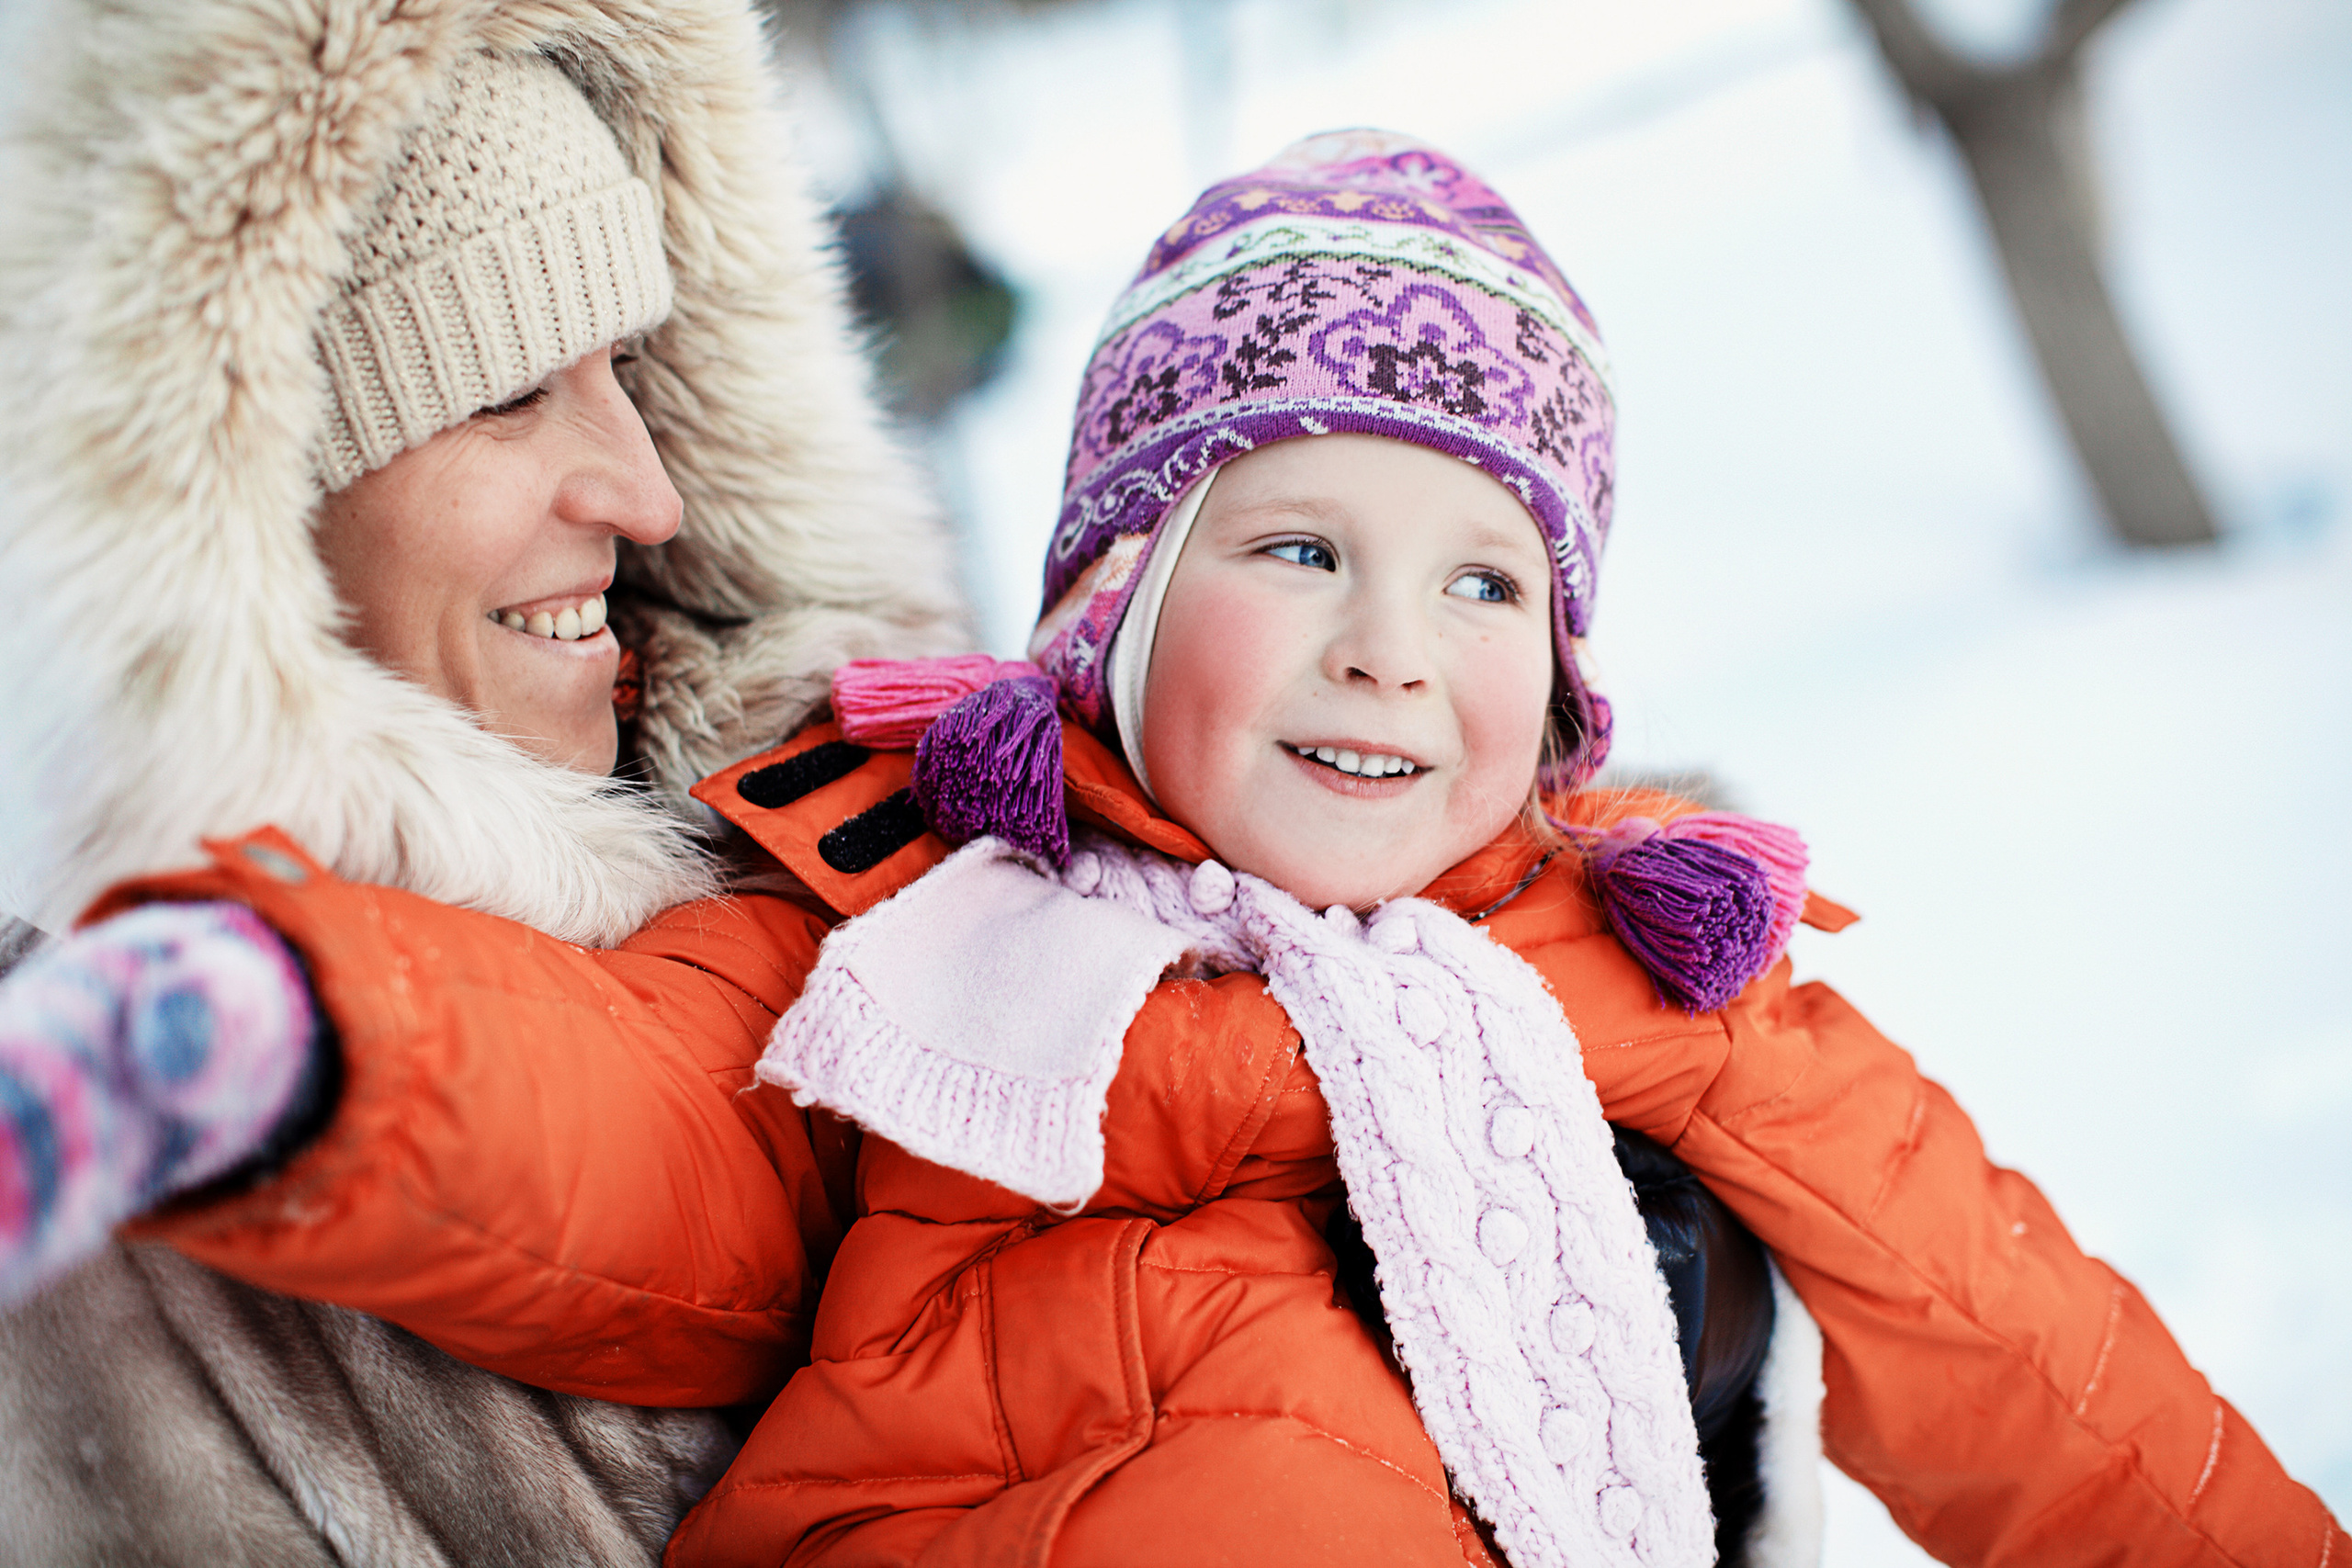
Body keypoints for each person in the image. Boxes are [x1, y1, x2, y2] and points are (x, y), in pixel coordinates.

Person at [3, 130, 2342, 1567]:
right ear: (1109, 612)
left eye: (1483, 581)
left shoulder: (1656, 979)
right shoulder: (917, 914)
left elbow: (2037, 1370)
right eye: (1297, 549)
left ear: (1564, 675)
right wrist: (287, 1025)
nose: (1388, 649)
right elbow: (616, 1124)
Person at [0, 0, 962, 1561]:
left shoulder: (867, 859)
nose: (646, 494)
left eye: (629, 364)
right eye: (505, 395)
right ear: (242, 507)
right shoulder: (90, 1162)